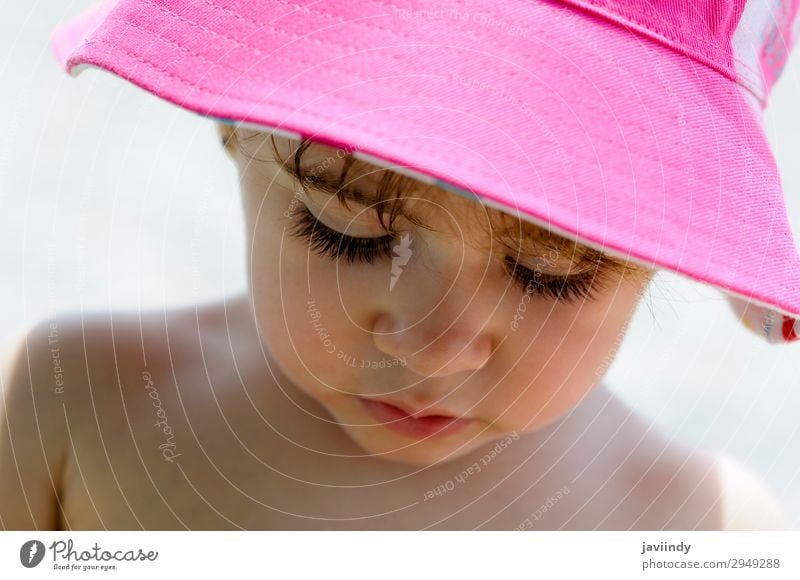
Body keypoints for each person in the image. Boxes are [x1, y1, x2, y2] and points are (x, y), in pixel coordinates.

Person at [2, 0, 798, 530]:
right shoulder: (74, 407)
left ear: (672, 247)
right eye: (349, 232)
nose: (433, 342)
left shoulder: (699, 526)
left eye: (549, 274)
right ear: (232, 127)